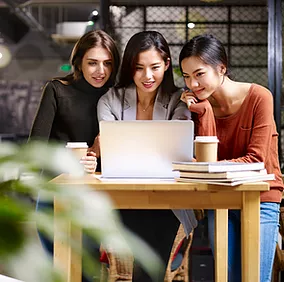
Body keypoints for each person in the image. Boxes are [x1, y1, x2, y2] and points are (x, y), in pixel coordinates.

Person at [179, 33, 284, 282]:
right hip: (222, 197)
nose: (192, 84)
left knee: (255, 278)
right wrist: (203, 113)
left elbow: (256, 161)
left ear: (222, 68)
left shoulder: (260, 97)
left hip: (261, 197)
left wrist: (211, 168)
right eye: (186, 76)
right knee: (228, 277)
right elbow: (205, 159)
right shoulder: (200, 106)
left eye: (199, 74)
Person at [96, 30, 192, 282]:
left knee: (150, 259)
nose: (147, 76)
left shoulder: (177, 101)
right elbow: (109, 148)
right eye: (139, 68)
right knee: (144, 261)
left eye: (155, 67)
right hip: (124, 197)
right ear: (129, 67)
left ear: (167, 65)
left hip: (168, 201)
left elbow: (179, 154)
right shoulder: (111, 100)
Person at [29, 30, 120, 282]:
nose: (100, 70)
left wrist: (98, 154)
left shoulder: (117, 96)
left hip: (94, 195)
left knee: (87, 269)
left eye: (107, 63)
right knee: (59, 267)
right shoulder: (57, 89)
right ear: (79, 61)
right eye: (92, 62)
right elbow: (36, 148)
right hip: (54, 191)